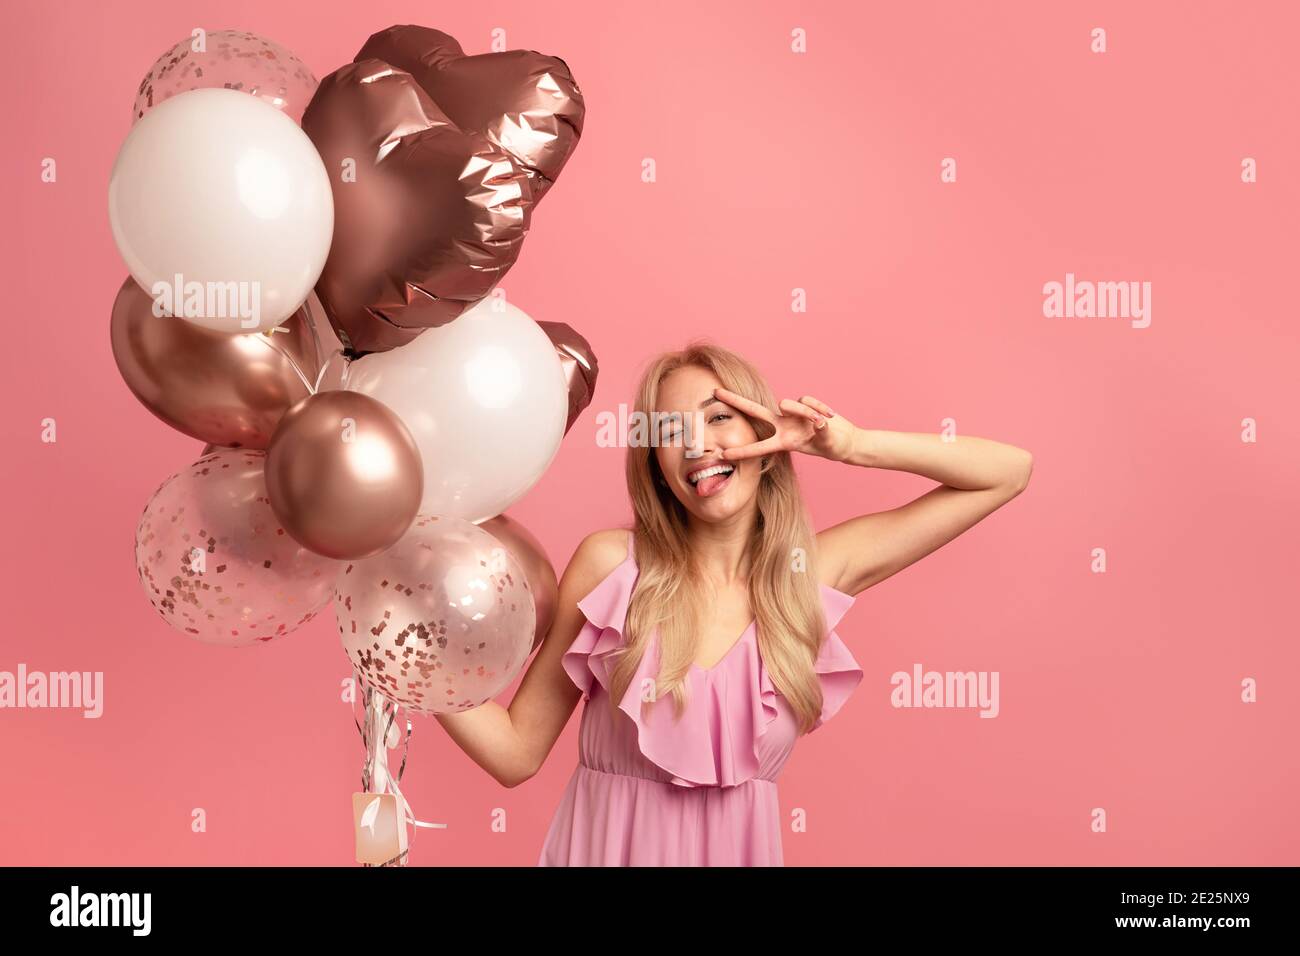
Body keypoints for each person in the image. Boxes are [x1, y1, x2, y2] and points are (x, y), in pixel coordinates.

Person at [434, 341, 1033, 865]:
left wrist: (850, 444)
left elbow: (1007, 472)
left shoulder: (809, 577)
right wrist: (405, 654)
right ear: (658, 469)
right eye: (669, 433)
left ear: (766, 440)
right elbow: (516, 753)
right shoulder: (613, 567)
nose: (696, 444)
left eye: (718, 417)